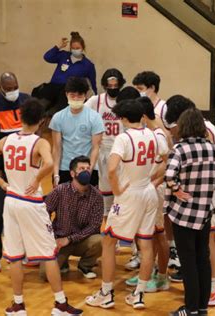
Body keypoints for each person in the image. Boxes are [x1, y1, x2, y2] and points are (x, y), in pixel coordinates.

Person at [0, 99, 83, 315]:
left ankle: (18, 305)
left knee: (14, 256)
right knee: (48, 255)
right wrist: (37, 179)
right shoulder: (39, 142)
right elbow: (51, 163)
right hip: (31, 202)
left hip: (12, 200)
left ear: (21, 116)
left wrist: (2, 183)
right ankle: (60, 304)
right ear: (42, 121)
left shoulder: (6, 140)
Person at [85, 99, 166, 310]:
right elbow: (165, 157)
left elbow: (111, 169)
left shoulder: (123, 138)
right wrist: (153, 179)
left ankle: (106, 292)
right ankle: (139, 294)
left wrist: (117, 189)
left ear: (122, 118)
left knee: (109, 241)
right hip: (149, 191)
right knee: (146, 244)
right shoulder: (153, 134)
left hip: (130, 194)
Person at [165, 108, 215, 316]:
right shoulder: (212, 148)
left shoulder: (179, 149)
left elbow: (170, 176)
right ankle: (202, 307)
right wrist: (214, 184)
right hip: (205, 212)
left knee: (188, 261)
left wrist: (177, 190)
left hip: (183, 214)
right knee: (202, 260)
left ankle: (189, 309)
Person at [0, 72, 30, 273]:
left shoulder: (27, 101)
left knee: (24, 212)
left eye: (15, 87)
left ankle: (22, 251)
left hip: (22, 170)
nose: (12, 92)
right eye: (8, 89)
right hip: (0, 170)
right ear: (0, 87)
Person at [125, 97, 171, 293]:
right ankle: (149, 272)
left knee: (159, 234)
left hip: (155, 189)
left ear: (143, 116)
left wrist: (153, 182)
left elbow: (167, 164)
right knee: (147, 234)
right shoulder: (152, 132)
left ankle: (162, 276)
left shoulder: (159, 135)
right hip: (147, 188)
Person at [39, 156, 104, 281]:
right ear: (73, 173)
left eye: (88, 168)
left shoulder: (97, 196)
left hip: (82, 240)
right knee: (45, 276)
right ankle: (62, 263)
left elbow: (94, 226)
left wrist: (69, 239)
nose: (86, 171)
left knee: (100, 241)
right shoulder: (60, 190)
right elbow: (44, 213)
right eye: (82, 168)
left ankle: (85, 266)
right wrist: (49, 237)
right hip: (59, 240)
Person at [85, 69, 126, 217]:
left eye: (116, 85)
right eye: (110, 86)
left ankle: (120, 216)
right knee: (105, 188)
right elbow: (81, 112)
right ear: (104, 85)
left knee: (121, 187)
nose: (113, 88)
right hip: (103, 148)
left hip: (122, 149)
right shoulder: (97, 100)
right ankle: (107, 219)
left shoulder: (125, 99)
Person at [50, 77, 104, 187]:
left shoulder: (95, 117)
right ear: (66, 95)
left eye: (80, 96)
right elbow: (56, 148)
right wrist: (56, 173)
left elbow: (96, 147)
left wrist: (89, 170)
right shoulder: (58, 117)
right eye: (72, 95)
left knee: (88, 202)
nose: (76, 99)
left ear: (85, 96)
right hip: (65, 168)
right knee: (65, 202)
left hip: (87, 168)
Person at [40, 32, 97, 112]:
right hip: (53, 88)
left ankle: (52, 115)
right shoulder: (64, 55)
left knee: (58, 109)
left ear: (83, 48)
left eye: (77, 48)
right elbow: (47, 57)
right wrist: (57, 47)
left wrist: (93, 102)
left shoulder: (88, 65)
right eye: (73, 48)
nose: (75, 50)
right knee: (40, 103)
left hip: (68, 92)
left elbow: (92, 84)